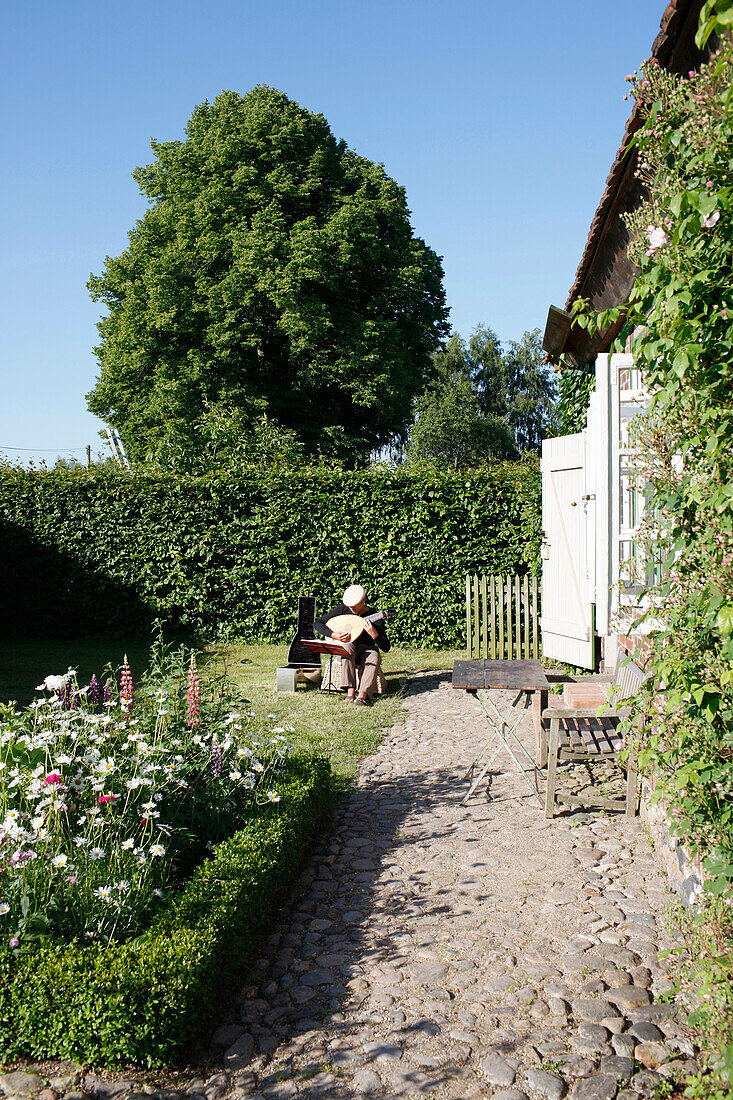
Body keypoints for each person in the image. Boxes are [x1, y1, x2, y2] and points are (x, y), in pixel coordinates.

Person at [314, 584, 390, 705]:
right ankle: (350, 692)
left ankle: (362, 695)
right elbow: (318, 623)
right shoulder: (343, 610)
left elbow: (386, 647)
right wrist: (333, 635)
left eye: (355, 606)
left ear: (363, 601)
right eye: (350, 606)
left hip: (367, 650)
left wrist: (375, 635)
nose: (351, 608)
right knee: (346, 647)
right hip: (349, 649)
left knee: (375, 657)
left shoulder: (375, 617)